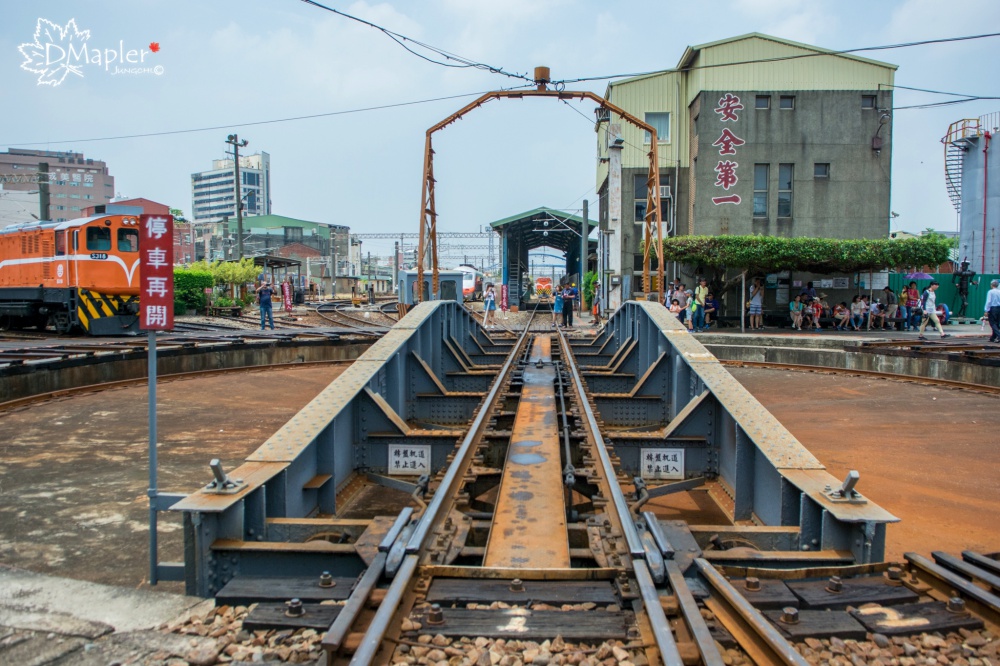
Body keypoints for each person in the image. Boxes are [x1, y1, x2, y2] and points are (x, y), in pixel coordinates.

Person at [984, 279, 1000, 344]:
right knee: (996, 323)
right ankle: (993, 337)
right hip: (999, 308)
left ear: (992, 285)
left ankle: (999, 335)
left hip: (993, 308)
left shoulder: (990, 292)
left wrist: (986, 310)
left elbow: (988, 301)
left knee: (992, 323)